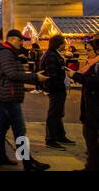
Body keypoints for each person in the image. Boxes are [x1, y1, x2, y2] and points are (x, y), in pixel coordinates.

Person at [0, 29, 50, 171]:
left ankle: (1, 157)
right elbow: (11, 74)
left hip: (5, 94)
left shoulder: (6, 52)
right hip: (9, 96)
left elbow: (8, 72)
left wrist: (21, 68)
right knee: (19, 130)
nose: (22, 42)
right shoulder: (5, 52)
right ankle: (27, 162)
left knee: (2, 128)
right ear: (11, 39)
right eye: (19, 39)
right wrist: (34, 77)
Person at [67, 39, 99, 171]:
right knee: (89, 136)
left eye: (90, 50)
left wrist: (75, 76)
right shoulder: (92, 64)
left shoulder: (97, 65)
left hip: (95, 107)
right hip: (91, 106)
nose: (87, 53)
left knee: (91, 136)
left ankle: (92, 166)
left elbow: (95, 82)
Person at [40, 35, 76, 151]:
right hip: (55, 88)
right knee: (54, 113)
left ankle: (60, 135)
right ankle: (50, 139)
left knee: (58, 113)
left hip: (58, 88)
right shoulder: (51, 55)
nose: (65, 45)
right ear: (59, 44)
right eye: (63, 43)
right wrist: (60, 81)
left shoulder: (53, 54)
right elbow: (52, 73)